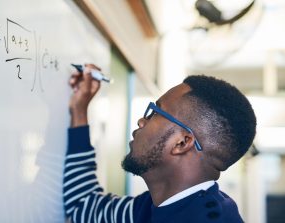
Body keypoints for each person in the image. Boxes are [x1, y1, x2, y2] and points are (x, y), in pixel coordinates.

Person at [63, 64, 256, 223]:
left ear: (182, 142)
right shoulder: (157, 206)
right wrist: (80, 109)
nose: (142, 121)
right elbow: (83, 204)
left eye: (156, 112)